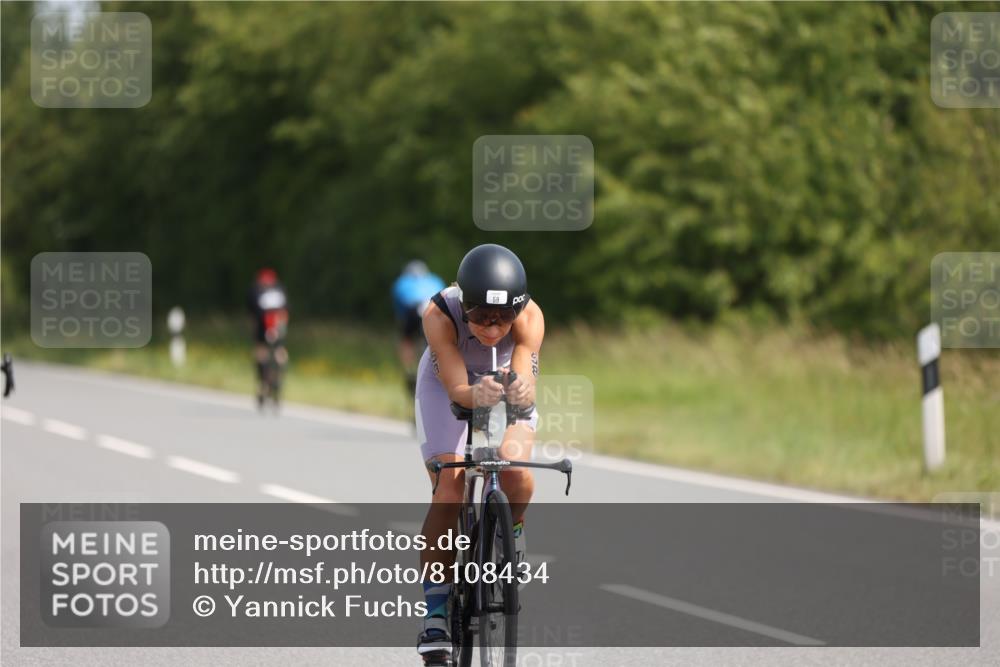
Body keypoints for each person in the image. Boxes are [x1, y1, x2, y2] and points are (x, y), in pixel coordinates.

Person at [414, 244, 543, 665]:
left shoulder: (530, 318)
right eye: (481, 318)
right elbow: (456, 388)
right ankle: (436, 613)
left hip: (503, 380)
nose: (491, 328)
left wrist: (521, 388)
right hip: (446, 383)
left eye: (502, 318)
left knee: (516, 470)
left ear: (517, 310)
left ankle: (514, 531)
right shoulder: (438, 315)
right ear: (463, 304)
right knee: (449, 488)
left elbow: (524, 372)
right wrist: (473, 394)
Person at [392, 260, 446, 396]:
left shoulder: (402, 281)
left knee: (406, 339)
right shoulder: (434, 280)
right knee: (439, 342)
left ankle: (408, 368)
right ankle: (439, 366)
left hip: (412, 311)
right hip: (432, 310)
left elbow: (399, 310)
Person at [246, 268, 289, 408]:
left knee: (261, 352)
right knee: (280, 352)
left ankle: (263, 382)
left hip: (262, 326)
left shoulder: (256, 290)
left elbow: (252, 314)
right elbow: (286, 311)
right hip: (278, 324)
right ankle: (277, 378)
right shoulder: (280, 289)